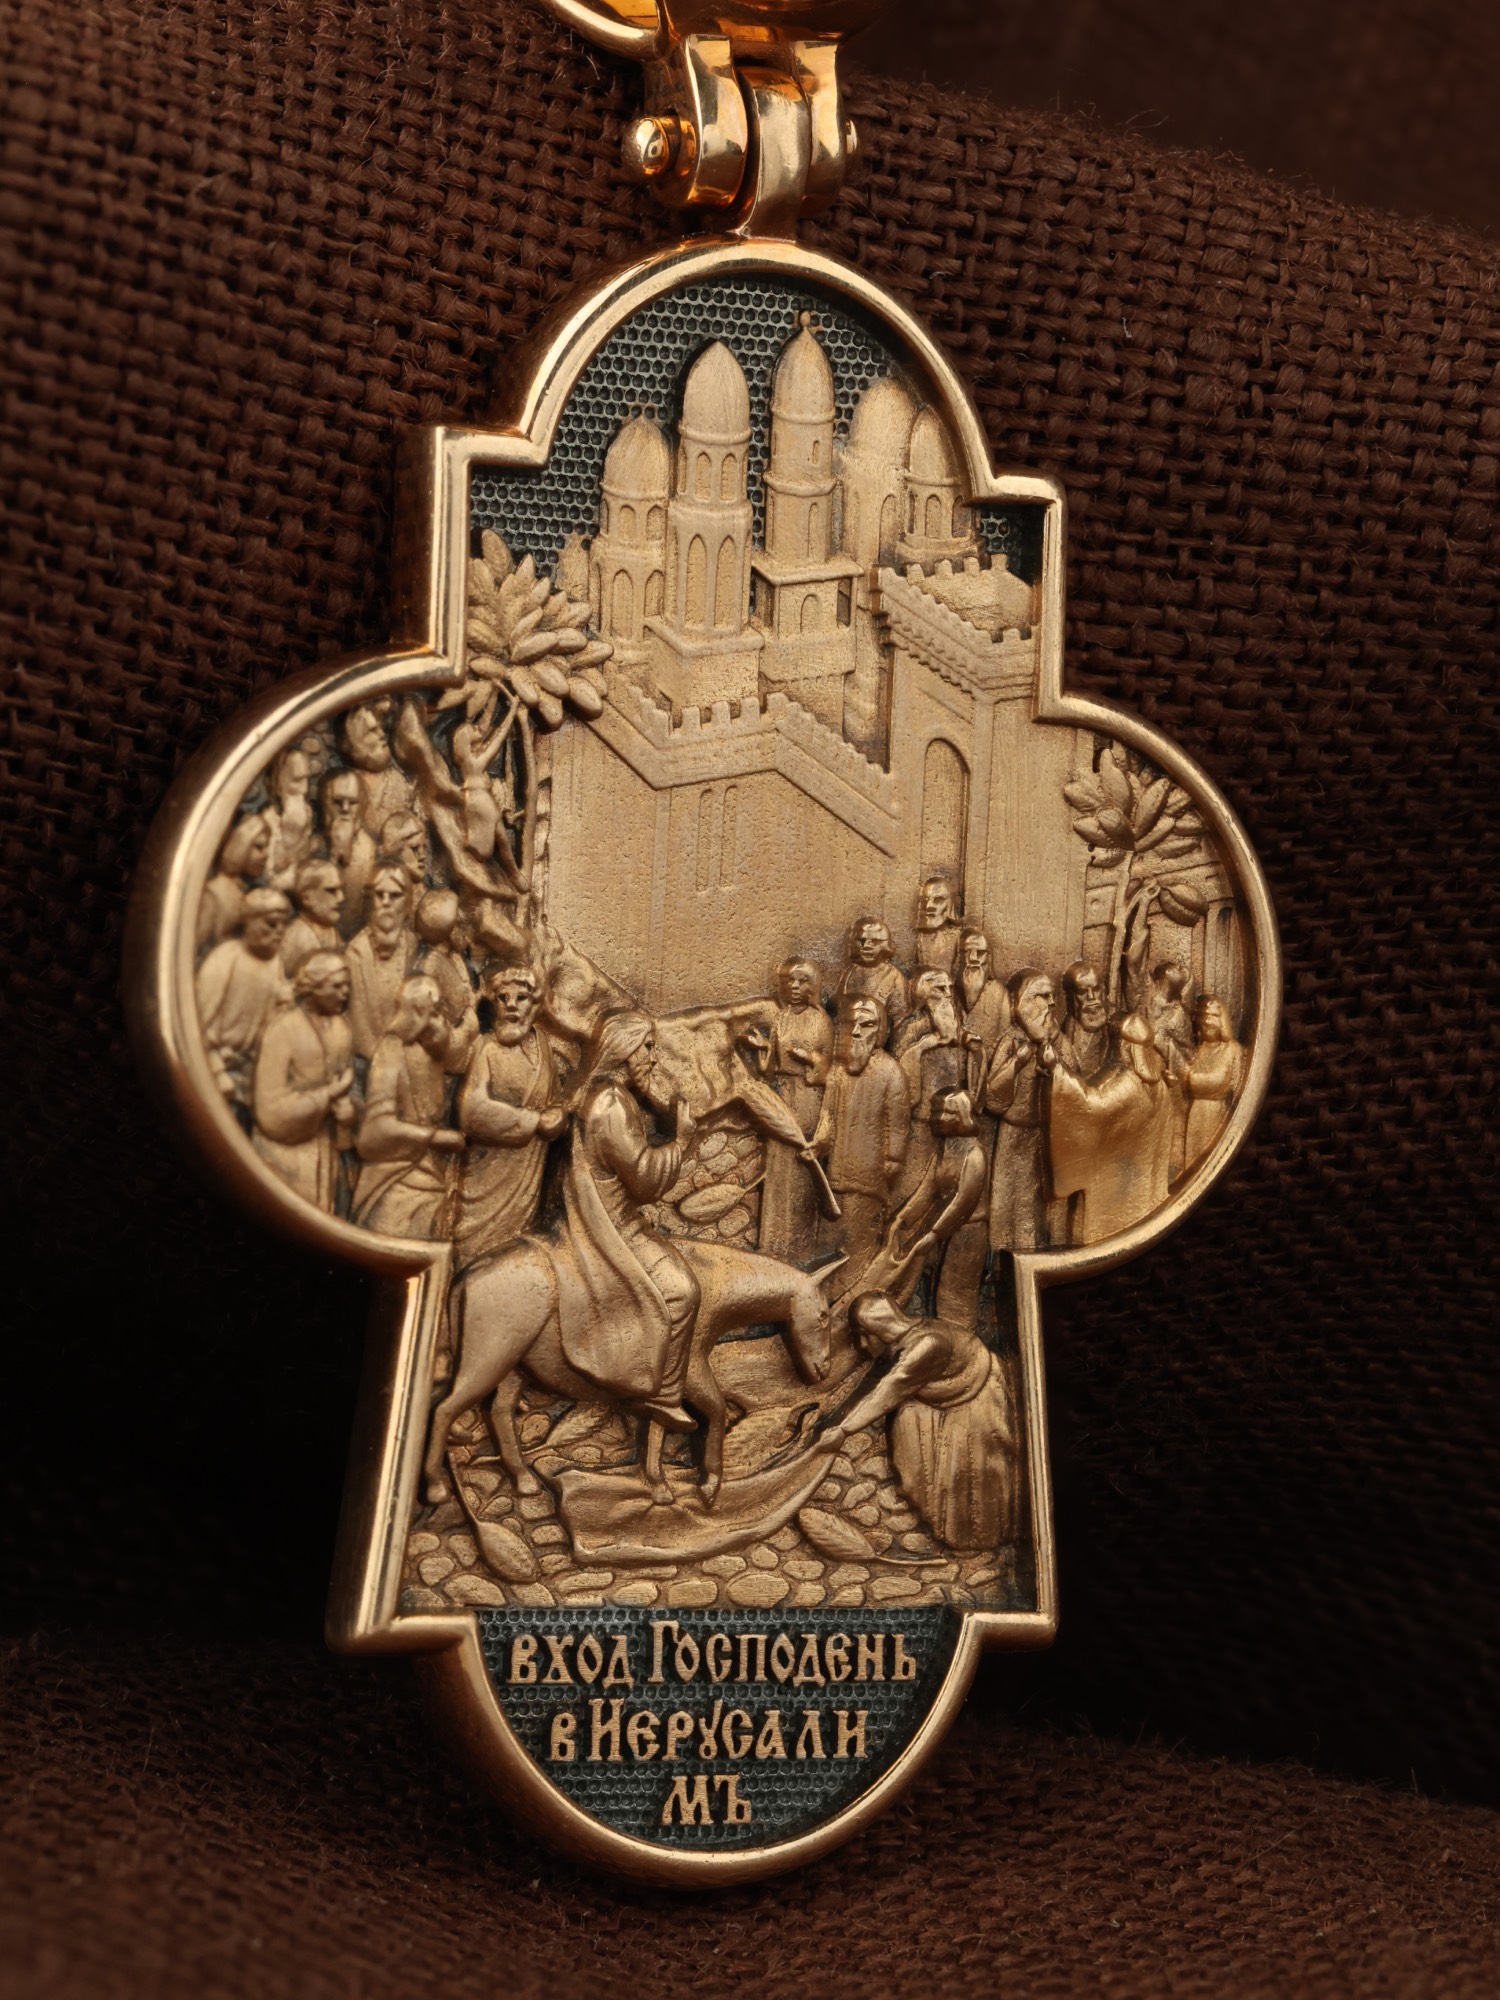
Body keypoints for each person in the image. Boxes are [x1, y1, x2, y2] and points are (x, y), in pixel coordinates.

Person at [549, 1011, 699, 1428]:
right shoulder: (611, 1103)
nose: (654, 1055)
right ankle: (658, 1394)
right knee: (682, 1290)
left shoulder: (602, 1094)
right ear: (625, 1049)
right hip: (610, 1225)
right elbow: (645, 1180)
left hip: (607, 1210)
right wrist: (681, 1142)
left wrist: (651, 1097)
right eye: (647, 1046)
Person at [819, 1292, 1021, 1551]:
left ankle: (979, 1542)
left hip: (975, 1406)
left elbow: (888, 1390)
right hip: (940, 1404)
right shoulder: (905, 1342)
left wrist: (843, 1430)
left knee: (971, 1476)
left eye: (862, 1335)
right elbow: (871, 1387)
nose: (862, 1346)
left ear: (876, 1330)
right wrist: (830, 1420)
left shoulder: (928, 1345)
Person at [454, 966, 566, 1265]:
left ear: (536, 1005)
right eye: (503, 998)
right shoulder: (485, 1049)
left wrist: (558, 1116)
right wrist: (533, 1122)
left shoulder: (542, 1047)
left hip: (527, 1178)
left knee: (511, 1257)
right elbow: (472, 1109)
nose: (512, 1005)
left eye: (522, 998)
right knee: (473, 1252)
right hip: (487, 1176)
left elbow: (554, 1099)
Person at [352, 974, 465, 1237]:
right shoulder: (392, 1051)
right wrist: (434, 1137)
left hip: (432, 1179)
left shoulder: (433, 1051)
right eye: (435, 1011)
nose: (441, 1019)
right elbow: (375, 1129)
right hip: (397, 1180)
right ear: (418, 1013)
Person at [1046, 1012, 1172, 1244]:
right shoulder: (1159, 1085)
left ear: (1125, 1046)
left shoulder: (1127, 1083)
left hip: (1116, 1184)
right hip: (1139, 1178)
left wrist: (1057, 1070)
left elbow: (1092, 1106)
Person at [812, 996, 910, 1283]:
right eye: (850, 1024)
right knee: (829, 1245)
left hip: (869, 1182)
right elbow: (827, 1117)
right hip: (835, 1179)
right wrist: (817, 1144)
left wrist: (892, 1160)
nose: (856, 1031)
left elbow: (897, 1123)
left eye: (865, 1025)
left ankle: (855, 1294)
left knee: (858, 1247)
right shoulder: (837, 1072)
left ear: (879, 1032)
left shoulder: (891, 1072)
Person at [251, 948, 356, 1210]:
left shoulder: (341, 1029)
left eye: (347, 985)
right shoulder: (283, 1030)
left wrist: (348, 1113)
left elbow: (349, 1085)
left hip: (326, 1153)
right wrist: (327, 1095)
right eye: (337, 986)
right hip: (285, 1156)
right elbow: (269, 1109)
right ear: (313, 988)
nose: (345, 993)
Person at [983, 969, 1076, 1251]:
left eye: (1053, 996)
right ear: (1023, 1002)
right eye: (1042, 996)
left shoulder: (1059, 1041)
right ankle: (1002, 1257)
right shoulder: (1012, 1040)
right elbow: (992, 1097)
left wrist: (1054, 1066)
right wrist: (1017, 1063)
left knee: (1037, 1205)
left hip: (1046, 1138)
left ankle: (1038, 1252)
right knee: (1007, 1201)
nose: (1051, 1003)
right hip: (1013, 1137)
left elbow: (1076, 1086)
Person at [757, 957, 834, 1263]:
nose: (795, 987)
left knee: (801, 1166)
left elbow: (829, 1069)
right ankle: (772, 1245)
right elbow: (770, 1066)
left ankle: (799, 1248)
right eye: (790, 980)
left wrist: (810, 1058)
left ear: (813, 986)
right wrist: (762, 1047)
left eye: (802, 981)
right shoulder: (782, 1016)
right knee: (778, 1166)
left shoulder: (821, 1020)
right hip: (783, 1094)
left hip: (808, 1096)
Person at [195, 886, 291, 1107]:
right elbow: (200, 1020)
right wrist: (216, 1068)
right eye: (271, 924)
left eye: (283, 925)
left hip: (250, 1065)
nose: (279, 932)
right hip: (215, 1063)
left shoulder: (275, 963)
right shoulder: (226, 958)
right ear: (248, 922)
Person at [893, 967, 965, 1200]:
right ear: (924, 992)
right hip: (922, 1117)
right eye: (940, 989)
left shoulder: (952, 1024)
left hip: (951, 1117)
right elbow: (898, 1069)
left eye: (949, 988)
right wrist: (923, 1046)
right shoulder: (913, 1026)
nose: (948, 995)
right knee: (915, 1180)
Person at [345, 865, 418, 1062]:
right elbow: (358, 1018)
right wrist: (380, 1059)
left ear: (407, 903)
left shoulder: (413, 946)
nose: (386, 902)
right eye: (379, 895)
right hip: (368, 1060)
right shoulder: (356, 952)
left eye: (394, 896)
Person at [414, 889, 480, 1071]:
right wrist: (465, 1030)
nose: (465, 931)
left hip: (470, 1045)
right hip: (451, 1053)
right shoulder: (431, 967)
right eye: (459, 925)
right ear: (448, 931)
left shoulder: (454, 958)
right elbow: (429, 1029)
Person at [1183, 995, 1246, 1170]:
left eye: (1213, 1016)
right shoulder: (1200, 1050)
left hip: (1217, 1113)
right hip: (1196, 1113)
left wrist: (1190, 1076)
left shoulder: (1233, 1051)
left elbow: (1232, 1089)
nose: (1208, 1021)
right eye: (1205, 1016)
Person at [196, 813, 271, 952]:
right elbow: (197, 945)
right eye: (259, 847)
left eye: (267, 847)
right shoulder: (214, 895)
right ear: (240, 846)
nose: (266, 854)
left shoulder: (241, 891)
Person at [341, 697, 413, 837]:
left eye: (381, 728)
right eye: (372, 731)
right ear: (354, 742)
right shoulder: (346, 788)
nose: (381, 734)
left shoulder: (396, 780)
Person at [836, 918, 908, 1037]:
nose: (867, 946)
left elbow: (900, 1018)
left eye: (874, 942)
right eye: (862, 941)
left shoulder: (895, 977)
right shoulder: (850, 973)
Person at [957, 928, 1010, 1087]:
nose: (973, 959)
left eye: (980, 953)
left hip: (987, 1076)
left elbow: (1006, 1037)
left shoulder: (999, 993)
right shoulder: (948, 990)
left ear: (989, 958)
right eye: (967, 952)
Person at [263, 744, 316, 889]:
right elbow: (270, 880)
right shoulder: (267, 820)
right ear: (277, 781)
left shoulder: (307, 812)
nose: (304, 789)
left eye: (307, 779)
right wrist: (290, 835)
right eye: (297, 780)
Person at [282, 858, 344, 976]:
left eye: (341, 890)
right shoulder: (295, 939)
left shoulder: (332, 931)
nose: (341, 898)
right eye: (331, 891)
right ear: (307, 898)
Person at [1057, 960, 1112, 1081]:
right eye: (1082, 992)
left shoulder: (1118, 1025)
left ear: (1103, 990)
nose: (1091, 997)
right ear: (1071, 997)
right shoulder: (1066, 1031)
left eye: (1096, 990)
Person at [913, 874, 963, 976]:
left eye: (938, 900)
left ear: (950, 905)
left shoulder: (959, 938)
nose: (929, 906)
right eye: (925, 900)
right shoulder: (919, 939)